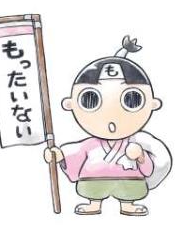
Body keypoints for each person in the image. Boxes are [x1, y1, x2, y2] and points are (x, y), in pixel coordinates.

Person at [44, 36, 171, 216]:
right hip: (93, 181)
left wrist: (141, 157)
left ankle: (128, 204)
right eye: (90, 100)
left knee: (131, 189)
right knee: (91, 188)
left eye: (132, 100)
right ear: (70, 104)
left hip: (129, 182)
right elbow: (76, 152)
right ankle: (94, 203)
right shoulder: (91, 144)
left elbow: (147, 169)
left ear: (152, 104)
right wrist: (58, 154)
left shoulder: (136, 142)